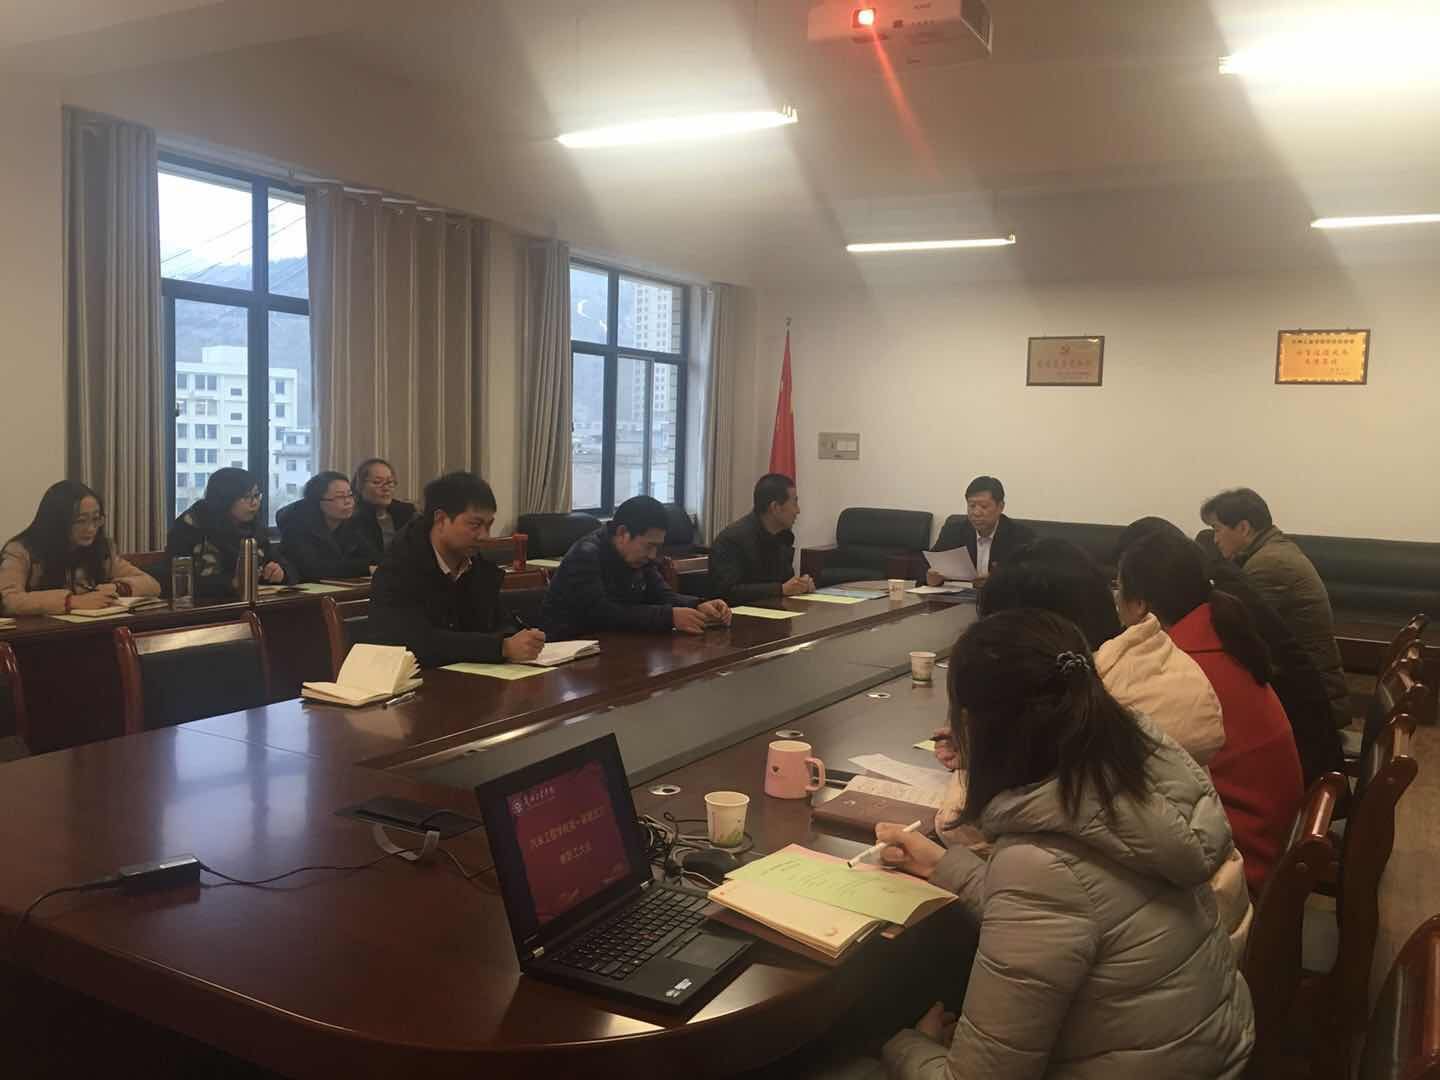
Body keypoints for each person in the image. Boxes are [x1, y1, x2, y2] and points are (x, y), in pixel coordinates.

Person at [870, 609, 1254, 1080]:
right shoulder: (1129, 784)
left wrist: (902, 1045)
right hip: (1209, 1055)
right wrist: (945, 865)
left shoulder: (1042, 859)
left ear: (976, 727)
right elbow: (1076, 910)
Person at [945, 540, 1249, 952]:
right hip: (1199, 937)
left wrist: (980, 753)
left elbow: (969, 830)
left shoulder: (1108, 704)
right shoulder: (1137, 671)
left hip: (1165, 949)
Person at [1119, 529, 1305, 894]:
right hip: (1266, 841)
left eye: (1117, 586)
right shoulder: (1217, 635)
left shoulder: (1177, 670)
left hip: (1239, 866)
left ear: (1139, 603)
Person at [1115, 517, 1343, 786]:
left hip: (1283, 783)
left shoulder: (1183, 664)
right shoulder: (1218, 619)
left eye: (1119, 585)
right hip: (1296, 775)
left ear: (1140, 602)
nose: (1115, 597)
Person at [1202, 487, 1349, 729]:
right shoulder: (1274, 549)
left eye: (1217, 529)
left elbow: (1242, 637)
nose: (1215, 539)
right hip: (1313, 687)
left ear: (1243, 528)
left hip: (1313, 701)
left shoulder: (1267, 565)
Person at [368, 471, 544, 668]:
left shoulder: (477, 565)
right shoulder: (399, 568)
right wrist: (500, 647)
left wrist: (519, 638)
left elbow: (495, 621)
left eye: (488, 525)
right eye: (475, 525)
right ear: (441, 520)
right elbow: (415, 642)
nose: (485, 536)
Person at [541, 495, 731, 639]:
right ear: (623, 533)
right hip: (570, 651)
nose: (653, 555)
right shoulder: (585, 554)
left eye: (657, 547)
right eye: (649, 546)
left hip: (617, 645)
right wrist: (669, 617)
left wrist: (698, 604)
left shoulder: (639, 558)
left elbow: (662, 595)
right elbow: (601, 614)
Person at [1, 481, 160, 615]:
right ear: (57, 521)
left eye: (96, 519)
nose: (91, 529)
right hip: (37, 635)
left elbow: (151, 584)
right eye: (81, 521)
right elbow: (8, 600)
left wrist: (118, 588)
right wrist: (71, 602)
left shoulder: (101, 548)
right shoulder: (20, 551)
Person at [166, 469, 293, 598]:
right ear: (224, 499)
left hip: (252, 603)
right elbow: (174, 580)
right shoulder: (190, 527)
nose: (254, 503)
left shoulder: (254, 528)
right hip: (204, 606)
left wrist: (281, 573)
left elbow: (288, 568)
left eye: (256, 495)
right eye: (246, 497)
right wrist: (230, 583)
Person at [708, 473, 814, 603]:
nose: (798, 511)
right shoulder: (731, 540)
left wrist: (801, 585)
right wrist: (780, 590)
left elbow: (785, 582)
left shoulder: (783, 536)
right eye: (794, 503)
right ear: (775, 507)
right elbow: (726, 592)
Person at [926, 476, 1035, 586]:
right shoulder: (953, 532)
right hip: (959, 595)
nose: (976, 513)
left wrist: (997, 582)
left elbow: (1030, 579)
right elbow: (926, 567)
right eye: (972, 506)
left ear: (1000, 507)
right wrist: (931, 578)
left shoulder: (1021, 536)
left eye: (984, 506)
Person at [275, 472, 376, 582]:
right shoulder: (296, 525)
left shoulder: (352, 522)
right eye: (340, 497)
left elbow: (372, 557)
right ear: (318, 501)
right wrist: (364, 569)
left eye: (350, 495)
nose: (348, 502)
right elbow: (313, 568)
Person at [350, 458, 417, 559]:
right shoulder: (351, 518)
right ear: (360, 485)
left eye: (390, 482)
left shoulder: (408, 513)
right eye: (377, 482)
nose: (386, 488)